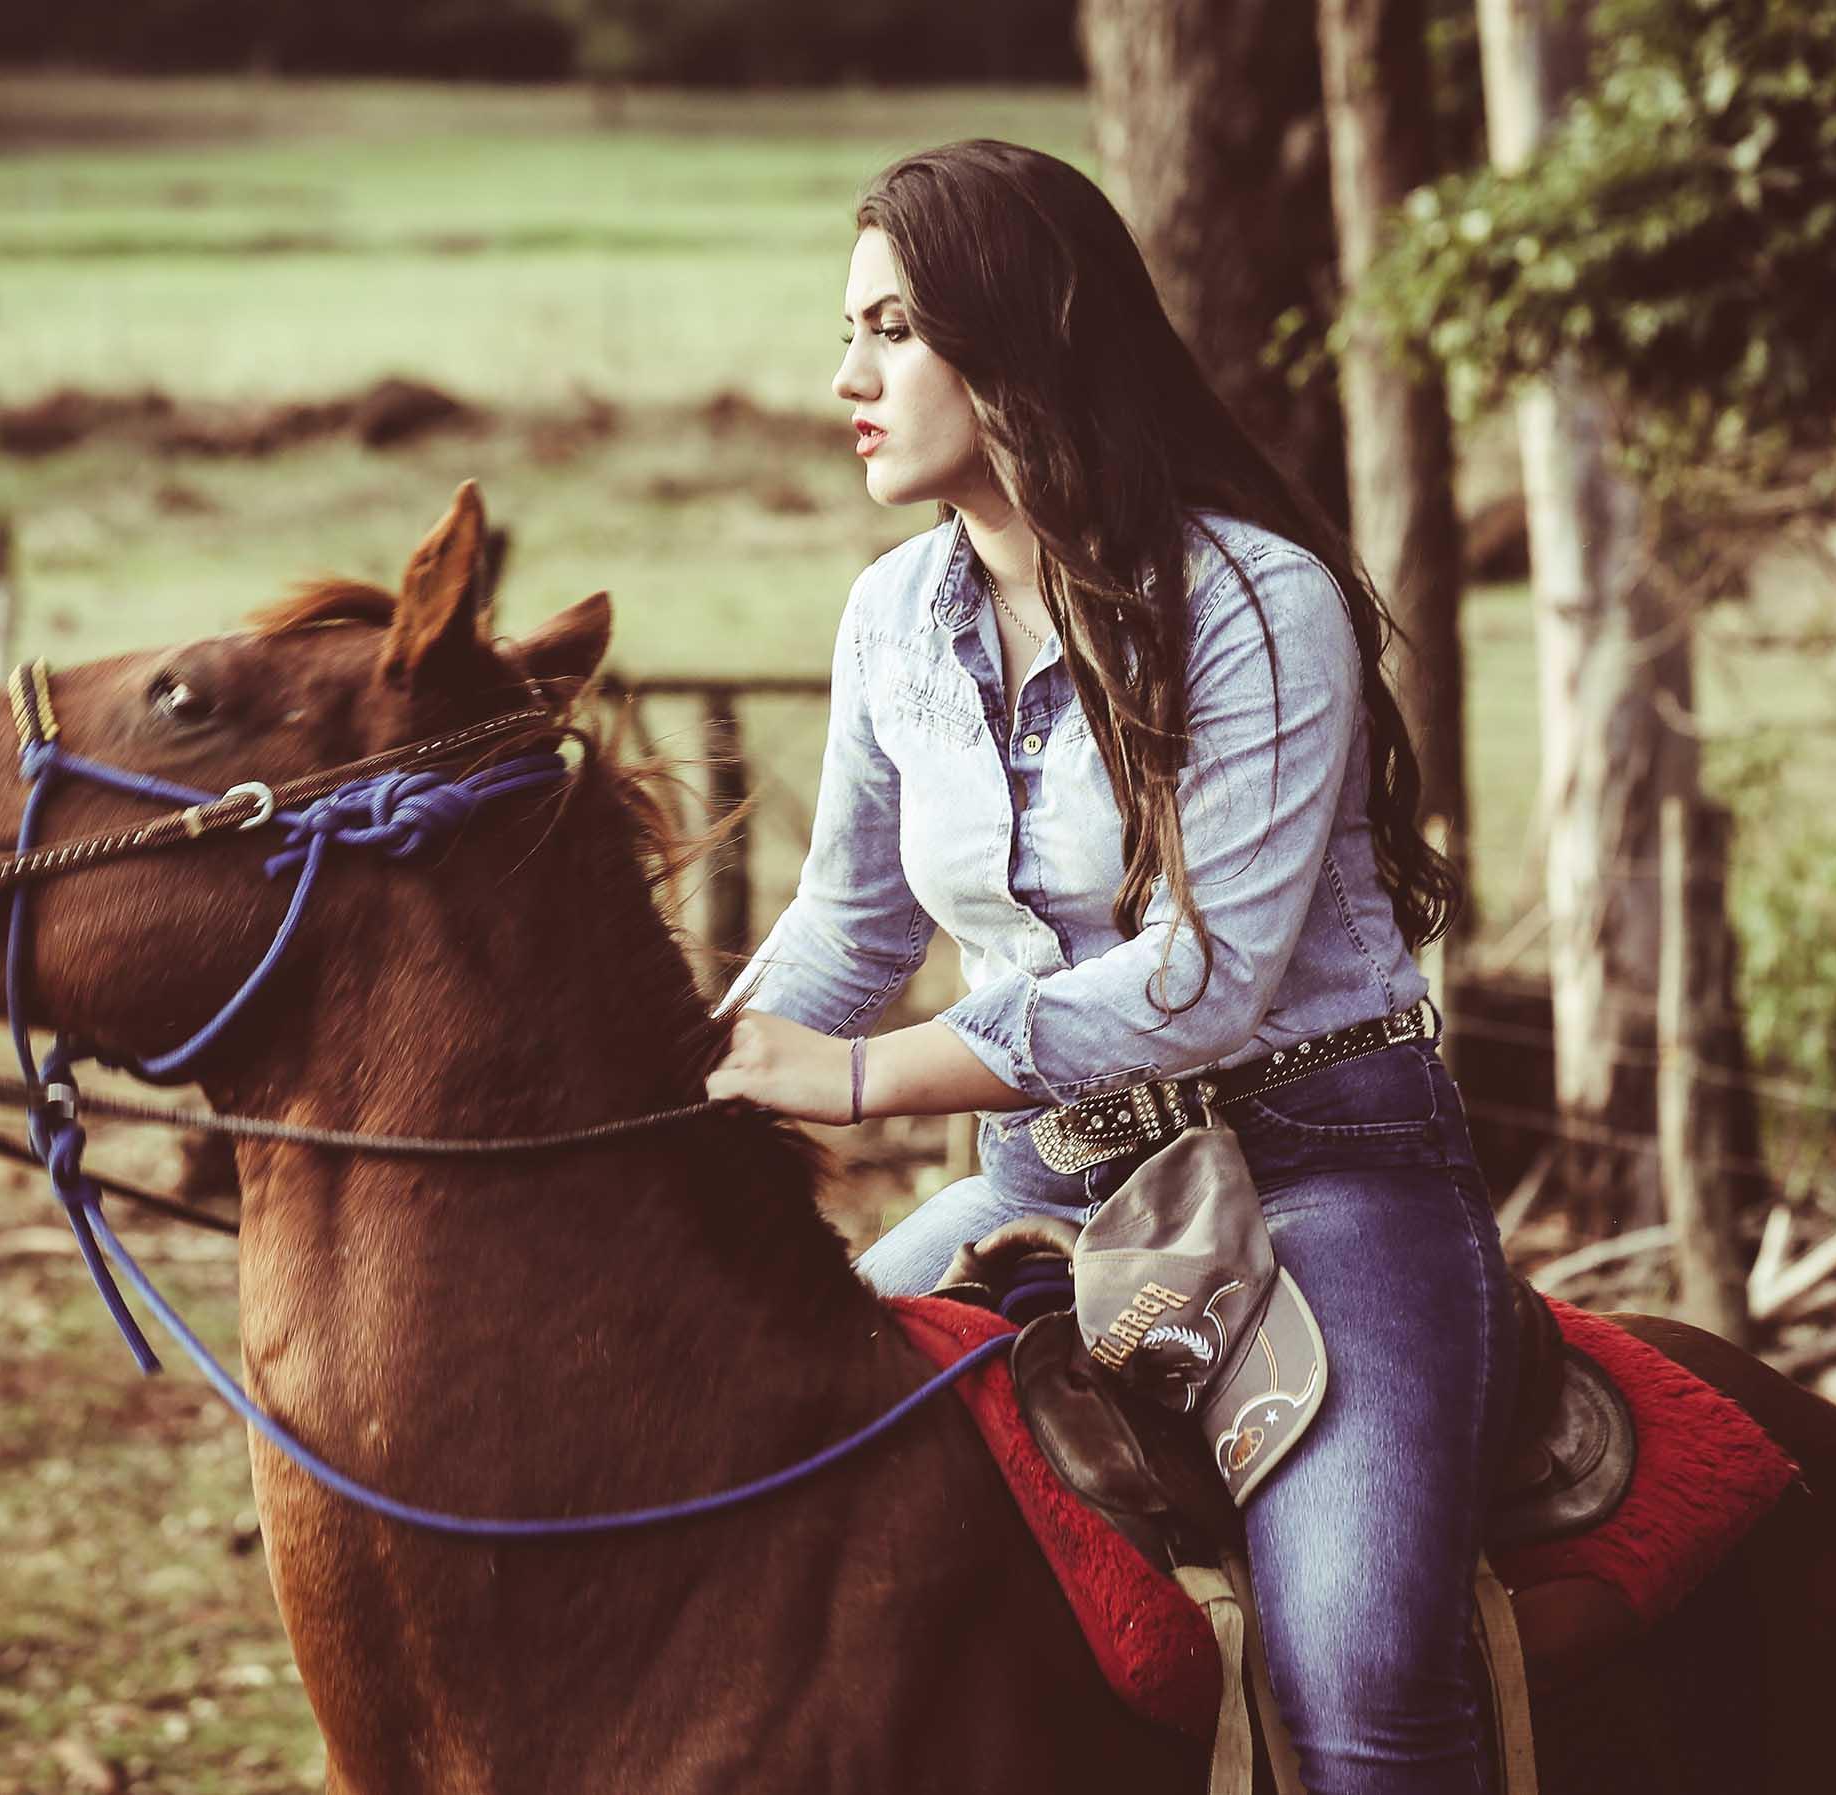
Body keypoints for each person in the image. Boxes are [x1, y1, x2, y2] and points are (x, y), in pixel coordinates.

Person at [706, 139, 1520, 1795]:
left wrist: (856, 1079)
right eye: (850, 332)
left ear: (1020, 339)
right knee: (760, 1485)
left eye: (891, 331)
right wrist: (687, 1080)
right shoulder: (890, 620)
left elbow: (1204, 981)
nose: (845, 378)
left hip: (1317, 1174)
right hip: (1042, 1185)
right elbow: (852, 928)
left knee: (1360, 1676)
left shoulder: (1254, 603)